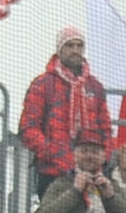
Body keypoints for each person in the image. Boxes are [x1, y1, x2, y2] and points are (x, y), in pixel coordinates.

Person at [17, 27, 113, 203]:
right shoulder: (43, 84)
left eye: (79, 45)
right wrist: (54, 153)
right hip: (53, 172)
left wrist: (102, 160)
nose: (75, 50)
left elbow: (106, 128)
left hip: (92, 173)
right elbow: (28, 128)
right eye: (70, 45)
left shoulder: (95, 86)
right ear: (59, 49)